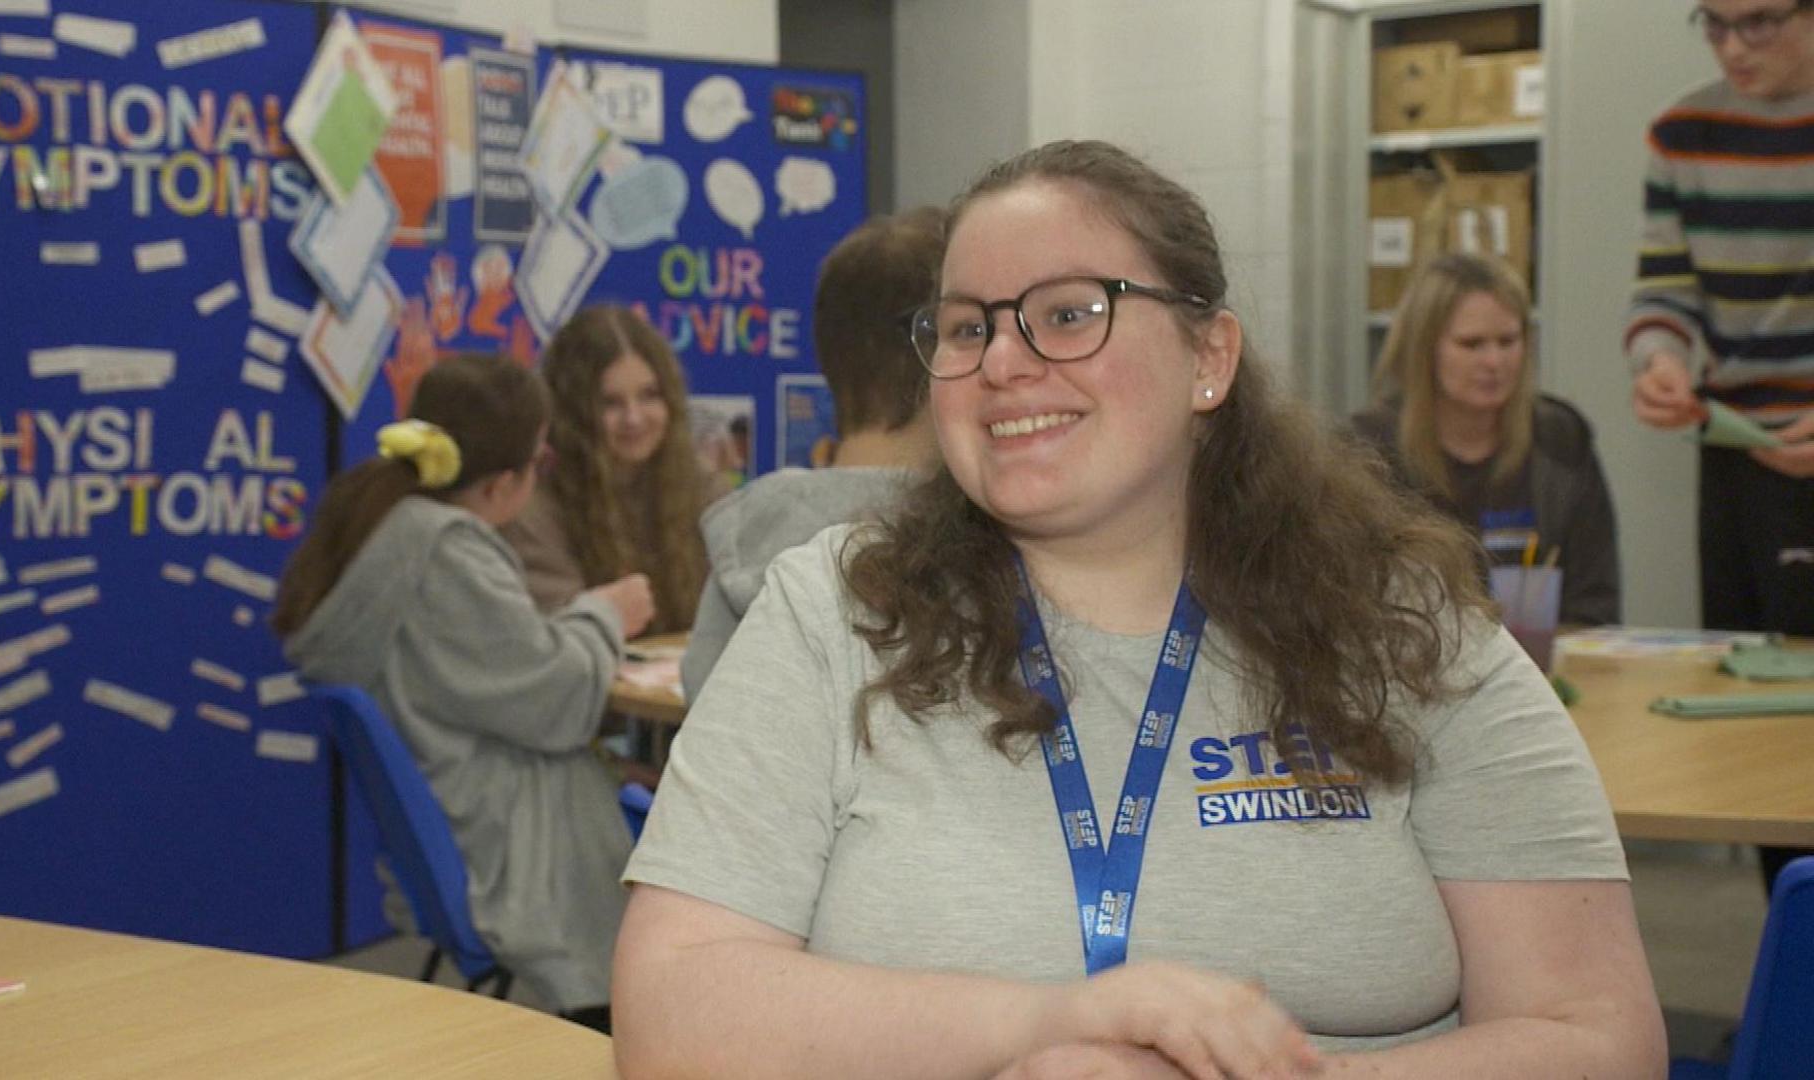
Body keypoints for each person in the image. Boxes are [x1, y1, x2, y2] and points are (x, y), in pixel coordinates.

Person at [611, 141, 1664, 1077]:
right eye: (968, 327)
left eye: (1069, 312)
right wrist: (1048, 1023)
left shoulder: (1400, 629)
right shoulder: (829, 612)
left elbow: (1595, 1033)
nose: (1005, 364)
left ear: (1209, 358)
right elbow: (670, 1012)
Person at [272, 354, 654, 1026]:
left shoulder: (390, 529)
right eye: (539, 461)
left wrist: (578, 621)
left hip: (460, 818)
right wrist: (604, 615)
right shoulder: (448, 553)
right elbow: (556, 702)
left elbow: (503, 667)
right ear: (503, 481)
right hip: (505, 844)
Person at [1625, 0, 1814, 892]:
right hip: (1740, 457)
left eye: (1761, 23)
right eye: (1715, 23)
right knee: (1753, 703)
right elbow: (1665, 288)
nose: (1734, 47)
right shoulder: (1683, 133)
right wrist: (1661, 359)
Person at [679, 206, 945, 704]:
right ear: (942, 350)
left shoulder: (754, 529)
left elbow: (700, 696)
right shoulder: (959, 540)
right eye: (973, 331)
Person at [1353, 253, 1622, 626]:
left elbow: (1593, 605)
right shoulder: (1366, 450)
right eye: (1472, 344)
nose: (1494, 362)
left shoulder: (1562, 439)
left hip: (1545, 673)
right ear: (1424, 349)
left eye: (1508, 341)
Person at [500, 305, 730, 635]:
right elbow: (559, 646)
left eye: (649, 396)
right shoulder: (532, 507)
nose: (634, 418)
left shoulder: (701, 486)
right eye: (610, 403)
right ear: (572, 414)